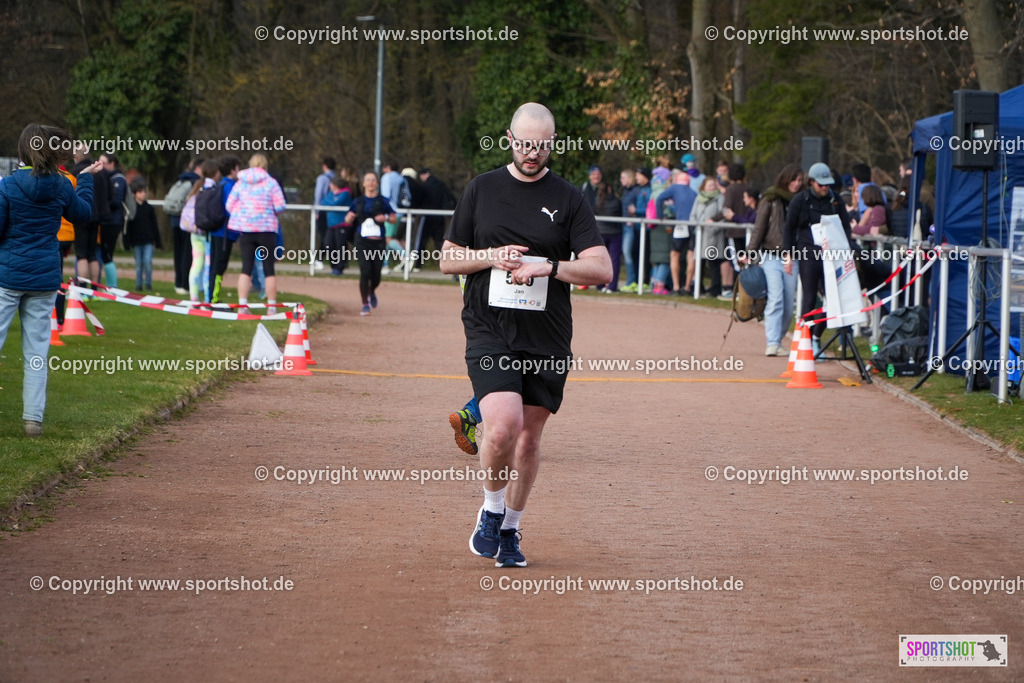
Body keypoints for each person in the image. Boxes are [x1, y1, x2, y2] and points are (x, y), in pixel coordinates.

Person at [440, 102, 612, 568]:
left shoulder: (569, 198)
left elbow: (601, 269)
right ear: (509, 140)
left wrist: (549, 267)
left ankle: (511, 529)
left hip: (546, 334)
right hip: (489, 327)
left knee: (529, 440)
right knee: (502, 426)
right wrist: (490, 256)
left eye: (541, 145)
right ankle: (491, 511)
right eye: (524, 144)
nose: (531, 153)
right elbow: (448, 258)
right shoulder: (482, 189)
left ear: (552, 143)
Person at [0, 124, 100, 437]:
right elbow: (83, 214)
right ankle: (33, 420)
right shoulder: (62, 185)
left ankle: (33, 419)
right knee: (36, 353)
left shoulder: (7, 186)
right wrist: (85, 180)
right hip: (44, 279)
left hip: (8, 277)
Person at [783, 162, 854, 351]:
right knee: (809, 298)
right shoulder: (800, 200)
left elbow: (845, 227)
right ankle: (803, 342)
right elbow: (789, 228)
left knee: (833, 298)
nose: (825, 188)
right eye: (821, 184)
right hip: (808, 253)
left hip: (832, 254)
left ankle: (817, 336)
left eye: (827, 184)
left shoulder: (835, 200)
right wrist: (787, 255)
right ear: (812, 182)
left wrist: (846, 250)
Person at [747, 164, 802, 356]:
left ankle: (778, 339)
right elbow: (759, 227)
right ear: (785, 179)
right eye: (793, 179)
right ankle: (772, 342)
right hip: (771, 255)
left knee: (788, 303)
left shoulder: (801, 200)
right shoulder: (770, 198)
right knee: (776, 297)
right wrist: (750, 252)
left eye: (799, 180)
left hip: (793, 257)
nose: (796, 184)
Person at [226, 153, 286, 311]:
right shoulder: (271, 183)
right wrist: (271, 211)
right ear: (265, 167)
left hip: (246, 230)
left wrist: (242, 213)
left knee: (246, 268)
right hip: (266, 229)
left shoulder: (241, 183)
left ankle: (242, 305)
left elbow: (229, 205)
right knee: (269, 269)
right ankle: (271, 307)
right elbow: (280, 205)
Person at [345, 171, 396, 315]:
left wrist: (386, 218)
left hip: (378, 242)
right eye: (368, 180)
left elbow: (394, 218)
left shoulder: (383, 201)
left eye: (373, 180)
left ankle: (371, 291)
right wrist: (350, 218)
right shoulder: (358, 201)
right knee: (365, 271)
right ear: (363, 183)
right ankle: (365, 304)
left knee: (376, 275)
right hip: (362, 241)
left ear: (377, 183)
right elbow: (347, 219)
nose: (371, 183)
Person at [179, 160, 220, 303]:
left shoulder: (197, 187)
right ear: (215, 173)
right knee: (208, 266)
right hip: (207, 232)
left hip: (194, 232)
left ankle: (194, 297)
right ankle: (208, 297)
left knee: (196, 264)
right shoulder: (213, 188)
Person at [71, 143, 111, 283]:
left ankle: (82, 289)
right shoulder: (100, 171)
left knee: (81, 255)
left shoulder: (75, 172)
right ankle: (95, 287)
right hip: (97, 217)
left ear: (77, 156)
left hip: (81, 216)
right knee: (93, 255)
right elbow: (108, 193)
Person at [655, 169, 697, 295]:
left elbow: (659, 199)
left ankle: (676, 287)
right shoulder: (693, 192)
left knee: (674, 254)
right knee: (691, 256)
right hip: (694, 226)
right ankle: (687, 287)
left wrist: (660, 216)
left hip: (680, 225)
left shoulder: (674, 188)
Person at [164, 159, 201, 294]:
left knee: (178, 253)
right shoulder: (195, 182)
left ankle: (178, 283)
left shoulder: (180, 180)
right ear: (198, 168)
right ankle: (186, 285)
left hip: (175, 220)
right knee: (187, 254)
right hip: (187, 223)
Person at [208, 156, 241, 303]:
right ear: (232, 170)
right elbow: (230, 209)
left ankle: (211, 296)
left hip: (217, 231)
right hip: (225, 232)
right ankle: (213, 298)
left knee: (215, 265)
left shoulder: (220, 184)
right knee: (219, 266)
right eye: (237, 168)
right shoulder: (231, 186)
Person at [413, 167, 455, 270]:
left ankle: (418, 265)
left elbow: (418, 199)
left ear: (422, 175)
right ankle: (445, 264)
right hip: (439, 217)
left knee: (422, 241)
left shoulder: (424, 186)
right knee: (440, 242)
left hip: (426, 216)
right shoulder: (441, 184)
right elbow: (450, 198)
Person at [123, 178, 162, 290]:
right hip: (136, 241)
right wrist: (127, 242)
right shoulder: (132, 209)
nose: (143, 194)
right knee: (139, 264)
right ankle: (139, 284)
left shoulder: (149, 208)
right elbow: (128, 227)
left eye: (144, 192)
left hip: (148, 240)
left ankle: (148, 283)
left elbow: (154, 225)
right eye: (140, 192)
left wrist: (157, 241)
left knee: (147, 262)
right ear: (134, 194)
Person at [689, 176, 724, 297]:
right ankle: (698, 288)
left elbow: (722, 215)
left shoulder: (720, 198)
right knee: (699, 262)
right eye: (710, 185)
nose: (712, 187)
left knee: (713, 263)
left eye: (714, 185)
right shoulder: (698, 198)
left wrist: (713, 227)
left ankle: (715, 289)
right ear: (704, 187)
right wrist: (696, 226)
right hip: (700, 235)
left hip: (714, 236)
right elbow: (693, 215)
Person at [99, 153, 127, 287]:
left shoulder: (118, 179)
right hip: (106, 220)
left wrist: (100, 205)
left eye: (103, 163)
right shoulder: (105, 177)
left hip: (113, 221)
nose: (100, 166)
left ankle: (112, 287)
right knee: (104, 254)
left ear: (112, 164)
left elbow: (116, 201)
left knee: (107, 254)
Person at [319, 174, 353, 275]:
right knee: (328, 244)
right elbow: (323, 201)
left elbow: (336, 203)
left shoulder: (346, 193)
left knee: (340, 246)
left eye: (331, 184)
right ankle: (333, 266)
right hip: (331, 224)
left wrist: (331, 201)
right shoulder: (331, 193)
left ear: (335, 184)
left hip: (342, 224)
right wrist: (332, 198)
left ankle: (340, 267)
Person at [594, 181, 623, 292]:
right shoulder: (616, 201)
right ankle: (612, 286)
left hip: (600, 233)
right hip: (615, 233)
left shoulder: (597, 201)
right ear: (610, 189)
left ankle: (600, 285)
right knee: (614, 260)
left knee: (599, 259)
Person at [618, 169, 639, 292]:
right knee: (627, 253)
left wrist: (634, 216)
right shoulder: (626, 191)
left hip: (630, 226)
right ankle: (632, 280)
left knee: (627, 252)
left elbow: (638, 207)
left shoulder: (635, 191)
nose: (621, 180)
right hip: (625, 225)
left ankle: (632, 281)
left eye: (623, 177)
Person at [314, 156, 336, 265]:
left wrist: (317, 210)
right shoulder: (336, 178)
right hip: (335, 209)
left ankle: (319, 259)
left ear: (325, 166)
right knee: (331, 234)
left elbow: (318, 195)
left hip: (323, 209)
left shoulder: (322, 178)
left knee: (324, 235)